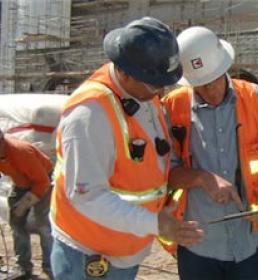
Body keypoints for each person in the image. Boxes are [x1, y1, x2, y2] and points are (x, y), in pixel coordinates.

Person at [49, 17, 203, 280]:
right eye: (155, 84)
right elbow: (88, 196)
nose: (161, 91)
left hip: (125, 249)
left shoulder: (142, 93)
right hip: (89, 255)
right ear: (124, 72)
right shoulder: (89, 115)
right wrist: (155, 223)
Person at [161, 26, 258, 280]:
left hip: (248, 245)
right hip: (198, 246)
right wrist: (202, 178)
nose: (210, 92)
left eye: (213, 81)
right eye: (200, 86)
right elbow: (163, 174)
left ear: (225, 68)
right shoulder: (171, 108)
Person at [0, 129, 53, 279]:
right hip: (21, 182)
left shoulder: (21, 152)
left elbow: (43, 182)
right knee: (16, 223)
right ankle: (23, 267)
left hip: (43, 181)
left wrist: (24, 204)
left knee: (43, 224)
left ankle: (49, 266)